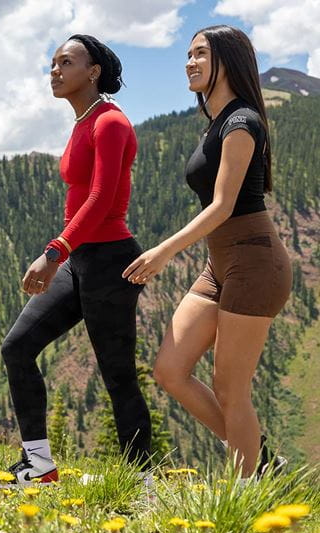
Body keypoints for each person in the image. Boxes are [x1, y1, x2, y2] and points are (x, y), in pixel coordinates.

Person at [123, 25, 292, 478]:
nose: (190, 62)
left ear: (228, 61)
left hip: (255, 263)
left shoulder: (242, 122)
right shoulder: (217, 123)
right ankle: (264, 464)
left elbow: (222, 206)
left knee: (230, 388)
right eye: (188, 54)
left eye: (201, 53)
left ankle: (248, 490)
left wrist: (162, 252)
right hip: (222, 265)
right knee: (170, 370)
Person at [0, 34, 151, 487]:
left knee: (118, 374)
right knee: (16, 347)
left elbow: (99, 199)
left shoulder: (110, 123)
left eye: (65, 62)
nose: (54, 71)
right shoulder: (83, 122)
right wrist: (65, 254)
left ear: (93, 71)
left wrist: (54, 252)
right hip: (80, 260)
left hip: (110, 262)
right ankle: (38, 464)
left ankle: (142, 484)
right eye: (52, 63)